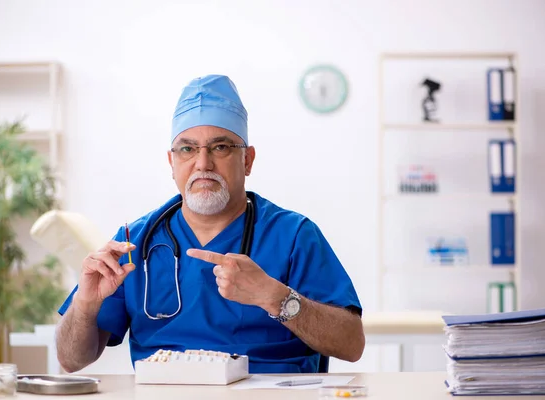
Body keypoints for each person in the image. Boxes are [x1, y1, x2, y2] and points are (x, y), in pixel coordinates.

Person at [55, 75, 365, 374]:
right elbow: (71, 361)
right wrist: (85, 303)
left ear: (247, 160)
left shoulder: (293, 236)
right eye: (188, 149)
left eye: (220, 147)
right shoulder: (136, 241)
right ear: (172, 162)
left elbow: (352, 345)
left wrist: (276, 298)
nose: (203, 163)